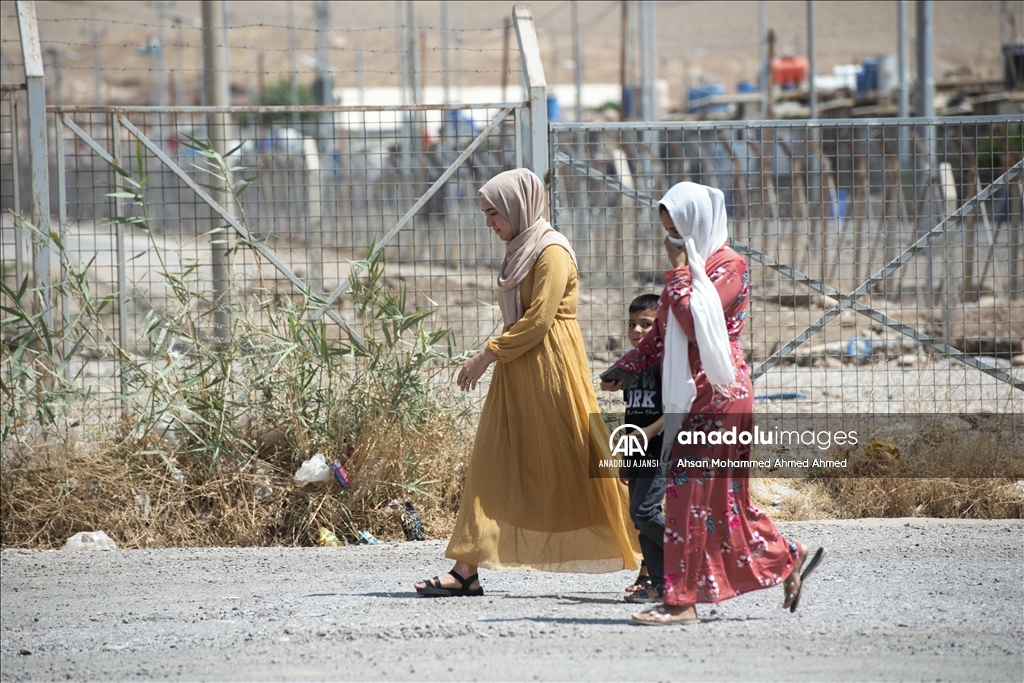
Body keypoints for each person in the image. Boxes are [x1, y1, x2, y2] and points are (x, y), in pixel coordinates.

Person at [605, 182, 825, 625]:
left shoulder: (730, 267)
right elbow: (664, 334)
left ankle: (681, 602)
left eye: (678, 232)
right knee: (724, 503)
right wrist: (623, 368)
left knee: (688, 500)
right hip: (693, 396)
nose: (673, 242)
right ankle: (786, 555)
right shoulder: (692, 270)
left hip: (721, 397)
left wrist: (681, 270)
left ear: (697, 226)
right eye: (667, 233)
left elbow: (692, 316)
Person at [414, 168, 638, 597]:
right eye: (486, 213)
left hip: (551, 370)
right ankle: (466, 570)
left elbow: (538, 320)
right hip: (517, 371)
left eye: (494, 213)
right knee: (491, 463)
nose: (489, 223)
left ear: (519, 207)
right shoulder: (521, 248)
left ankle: (657, 551)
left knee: (586, 462)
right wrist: (497, 355)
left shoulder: (551, 251)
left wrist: (486, 354)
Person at [603, 294, 668, 603]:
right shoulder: (632, 366)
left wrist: (650, 432)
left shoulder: (667, 363)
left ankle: (689, 552)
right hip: (638, 452)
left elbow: (678, 411)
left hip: (661, 450)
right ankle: (659, 584)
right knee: (640, 519)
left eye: (646, 324)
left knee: (644, 511)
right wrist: (627, 456)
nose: (637, 331)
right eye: (632, 324)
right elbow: (631, 416)